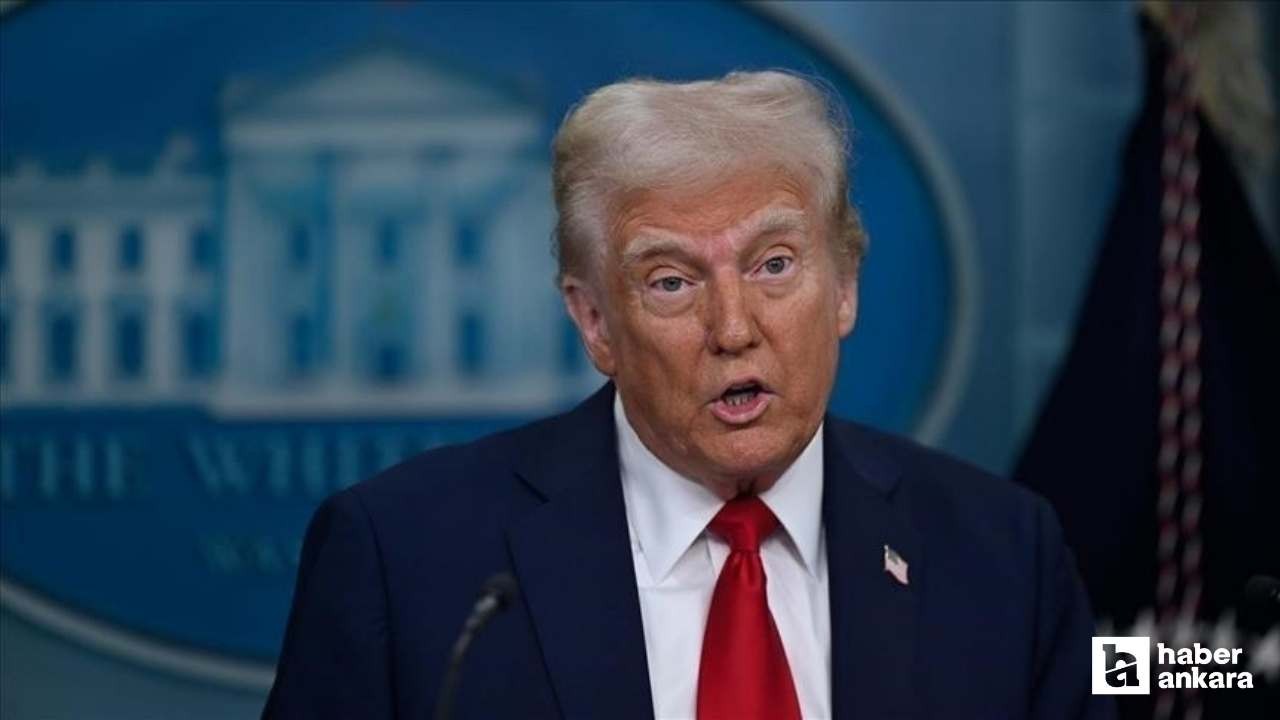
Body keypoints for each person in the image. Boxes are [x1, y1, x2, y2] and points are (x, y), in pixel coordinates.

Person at [263, 71, 1113, 720]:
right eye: (671, 281)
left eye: (774, 265)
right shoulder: (404, 558)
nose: (733, 328)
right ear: (595, 321)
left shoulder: (1004, 555)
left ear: (845, 286)